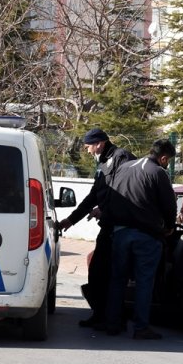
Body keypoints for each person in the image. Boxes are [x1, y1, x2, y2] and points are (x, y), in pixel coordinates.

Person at [58, 128, 135, 328]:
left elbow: (125, 191)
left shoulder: (122, 157)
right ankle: (101, 314)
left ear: (99, 143)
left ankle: (113, 319)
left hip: (120, 226)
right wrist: (71, 220)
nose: (88, 151)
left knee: (110, 274)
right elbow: (94, 194)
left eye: (89, 147)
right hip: (108, 226)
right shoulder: (102, 163)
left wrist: (105, 209)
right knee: (97, 272)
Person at [102, 139, 177, 340]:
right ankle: (141, 327)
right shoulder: (158, 173)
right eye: (168, 161)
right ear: (163, 157)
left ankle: (112, 323)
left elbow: (110, 196)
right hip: (146, 235)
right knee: (145, 281)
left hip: (120, 233)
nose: (167, 164)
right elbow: (169, 205)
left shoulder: (124, 168)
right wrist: (169, 227)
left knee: (117, 279)